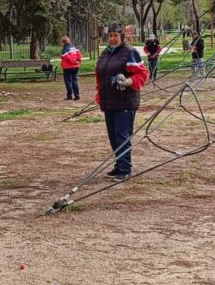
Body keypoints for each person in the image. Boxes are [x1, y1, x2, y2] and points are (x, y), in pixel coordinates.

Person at [95, 23, 150, 182]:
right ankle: (119, 165)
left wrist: (128, 81)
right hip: (109, 102)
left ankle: (125, 169)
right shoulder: (105, 53)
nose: (112, 39)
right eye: (110, 35)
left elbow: (143, 74)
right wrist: (100, 95)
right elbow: (100, 75)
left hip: (125, 102)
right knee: (113, 137)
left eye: (115, 36)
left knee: (122, 136)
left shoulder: (130, 53)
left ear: (122, 37)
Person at [60, 36, 83, 100]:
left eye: (61, 42)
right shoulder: (73, 47)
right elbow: (79, 55)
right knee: (74, 81)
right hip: (76, 67)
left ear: (63, 42)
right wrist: (78, 61)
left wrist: (63, 57)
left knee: (68, 82)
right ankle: (77, 95)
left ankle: (69, 96)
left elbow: (68, 58)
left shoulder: (65, 49)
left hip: (68, 67)